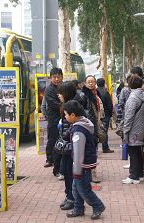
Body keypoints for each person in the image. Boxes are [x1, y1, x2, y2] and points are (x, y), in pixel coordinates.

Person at [63, 100, 105, 220]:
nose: (65, 117)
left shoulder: (78, 130)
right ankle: (78, 208)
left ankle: (98, 206)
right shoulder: (84, 123)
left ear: (73, 115)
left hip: (82, 164)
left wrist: (77, 170)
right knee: (76, 187)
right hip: (85, 162)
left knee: (83, 189)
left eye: (66, 114)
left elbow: (78, 152)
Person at [57, 81, 85, 211]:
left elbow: (71, 128)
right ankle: (69, 196)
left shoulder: (73, 106)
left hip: (71, 146)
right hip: (67, 144)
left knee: (69, 173)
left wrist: (65, 140)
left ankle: (72, 199)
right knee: (66, 171)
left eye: (60, 93)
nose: (58, 95)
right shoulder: (69, 104)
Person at [122, 75, 144, 184]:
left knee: (133, 153)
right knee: (138, 153)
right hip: (140, 128)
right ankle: (139, 174)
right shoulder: (142, 94)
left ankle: (133, 176)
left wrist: (125, 130)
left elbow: (129, 116)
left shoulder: (133, 98)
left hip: (133, 129)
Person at [44, 68, 63, 173]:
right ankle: (50, 159)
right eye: (54, 77)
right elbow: (53, 104)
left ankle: (59, 163)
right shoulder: (49, 89)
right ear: (50, 78)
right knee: (52, 139)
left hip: (66, 118)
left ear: (62, 77)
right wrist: (65, 105)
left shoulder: (65, 87)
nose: (56, 79)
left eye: (58, 77)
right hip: (54, 119)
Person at [96, 78, 114, 153]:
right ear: (104, 83)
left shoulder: (95, 92)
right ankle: (105, 147)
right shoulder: (105, 92)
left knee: (96, 132)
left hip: (97, 115)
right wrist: (110, 115)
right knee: (104, 131)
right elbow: (110, 105)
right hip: (105, 115)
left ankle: (95, 148)